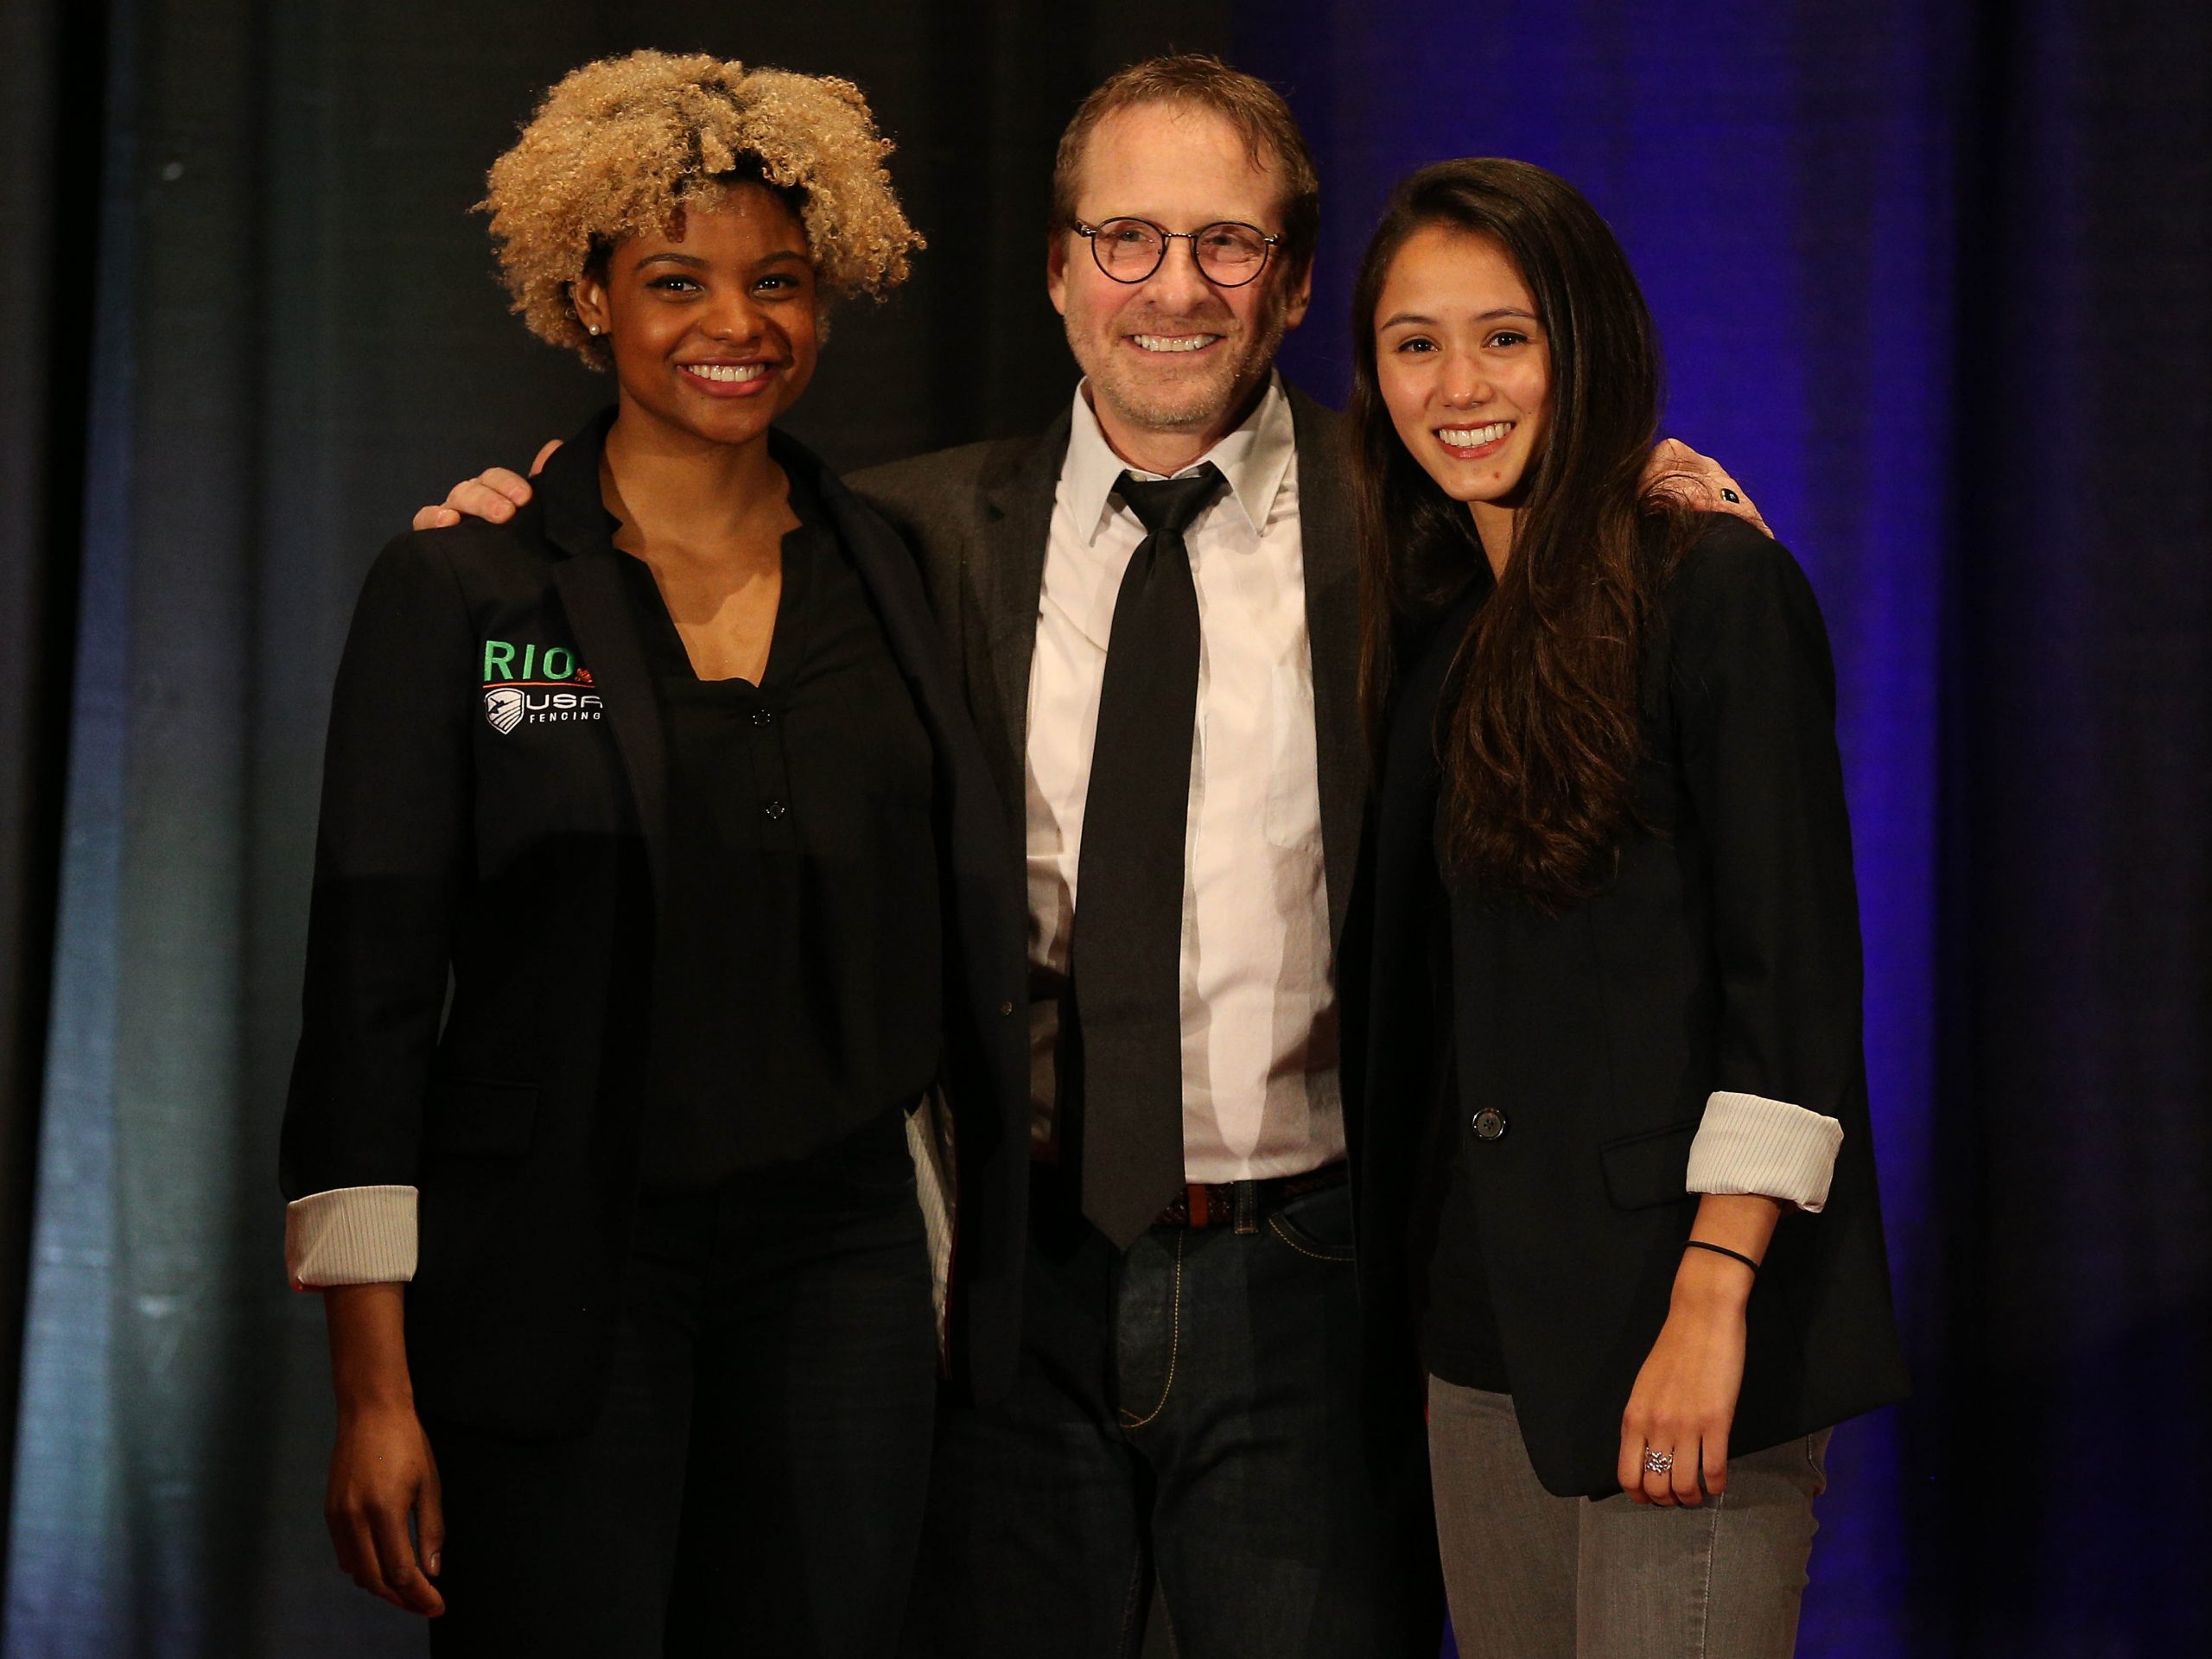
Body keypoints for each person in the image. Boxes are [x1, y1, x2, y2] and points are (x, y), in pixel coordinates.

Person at [418, 58, 1761, 1659]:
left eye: (1227, 244)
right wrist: (520, 513)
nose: (1174, 287)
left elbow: (1561, 524)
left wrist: (1636, 487)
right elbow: (669, 524)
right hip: (1002, 1295)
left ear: (1296, 279)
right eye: (1125, 238)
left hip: (1314, 1292)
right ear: (1058, 270)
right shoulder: (898, 539)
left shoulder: (1412, 526)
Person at [279, 51, 1027, 1656]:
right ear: (587, 294)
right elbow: (369, 996)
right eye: (675, 280)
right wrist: (371, 1390)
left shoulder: (890, 570)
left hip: (841, 1268)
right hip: (564, 1272)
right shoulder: (471, 590)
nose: (734, 325)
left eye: (781, 283)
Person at [1348, 156, 1910, 1658]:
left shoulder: (1714, 585)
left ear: (1585, 343)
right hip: (1481, 1344)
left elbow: (1791, 988)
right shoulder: (1430, 619)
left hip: (1685, 1324)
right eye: (1416, 343)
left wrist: (1712, 1297)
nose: (1459, 384)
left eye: (1507, 335)